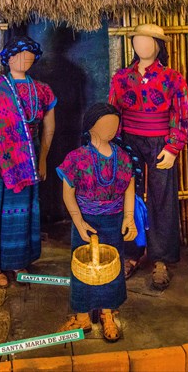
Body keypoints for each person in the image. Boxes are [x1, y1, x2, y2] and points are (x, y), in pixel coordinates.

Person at [0, 36, 57, 287]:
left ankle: (19, 262)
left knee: (24, 210)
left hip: (29, 155)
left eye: (29, 55)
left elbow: (49, 126)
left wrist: (43, 159)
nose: (23, 59)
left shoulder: (43, 90)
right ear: (8, 58)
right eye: (17, 54)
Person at [109, 23, 188, 290]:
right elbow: (112, 113)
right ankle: (131, 254)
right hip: (128, 141)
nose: (141, 46)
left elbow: (181, 115)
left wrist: (173, 146)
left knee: (162, 197)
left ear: (158, 45)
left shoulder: (173, 78)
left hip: (160, 142)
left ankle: (161, 259)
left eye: (148, 41)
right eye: (137, 41)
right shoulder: (121, 78)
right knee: (128, 197)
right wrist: (114, 145)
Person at [56, 104, 137, 342]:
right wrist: (78, 221)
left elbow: (130, 187)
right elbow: (67, 192)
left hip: (113, 221)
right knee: (83, 269)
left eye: (114, 124)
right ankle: (82, 316)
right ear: (90, 126)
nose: (111, 129)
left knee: (112, 268)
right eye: (105, 124)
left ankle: (107, 314)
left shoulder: (122, 157)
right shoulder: (77, 158)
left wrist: (129, 217)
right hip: (87, 221)